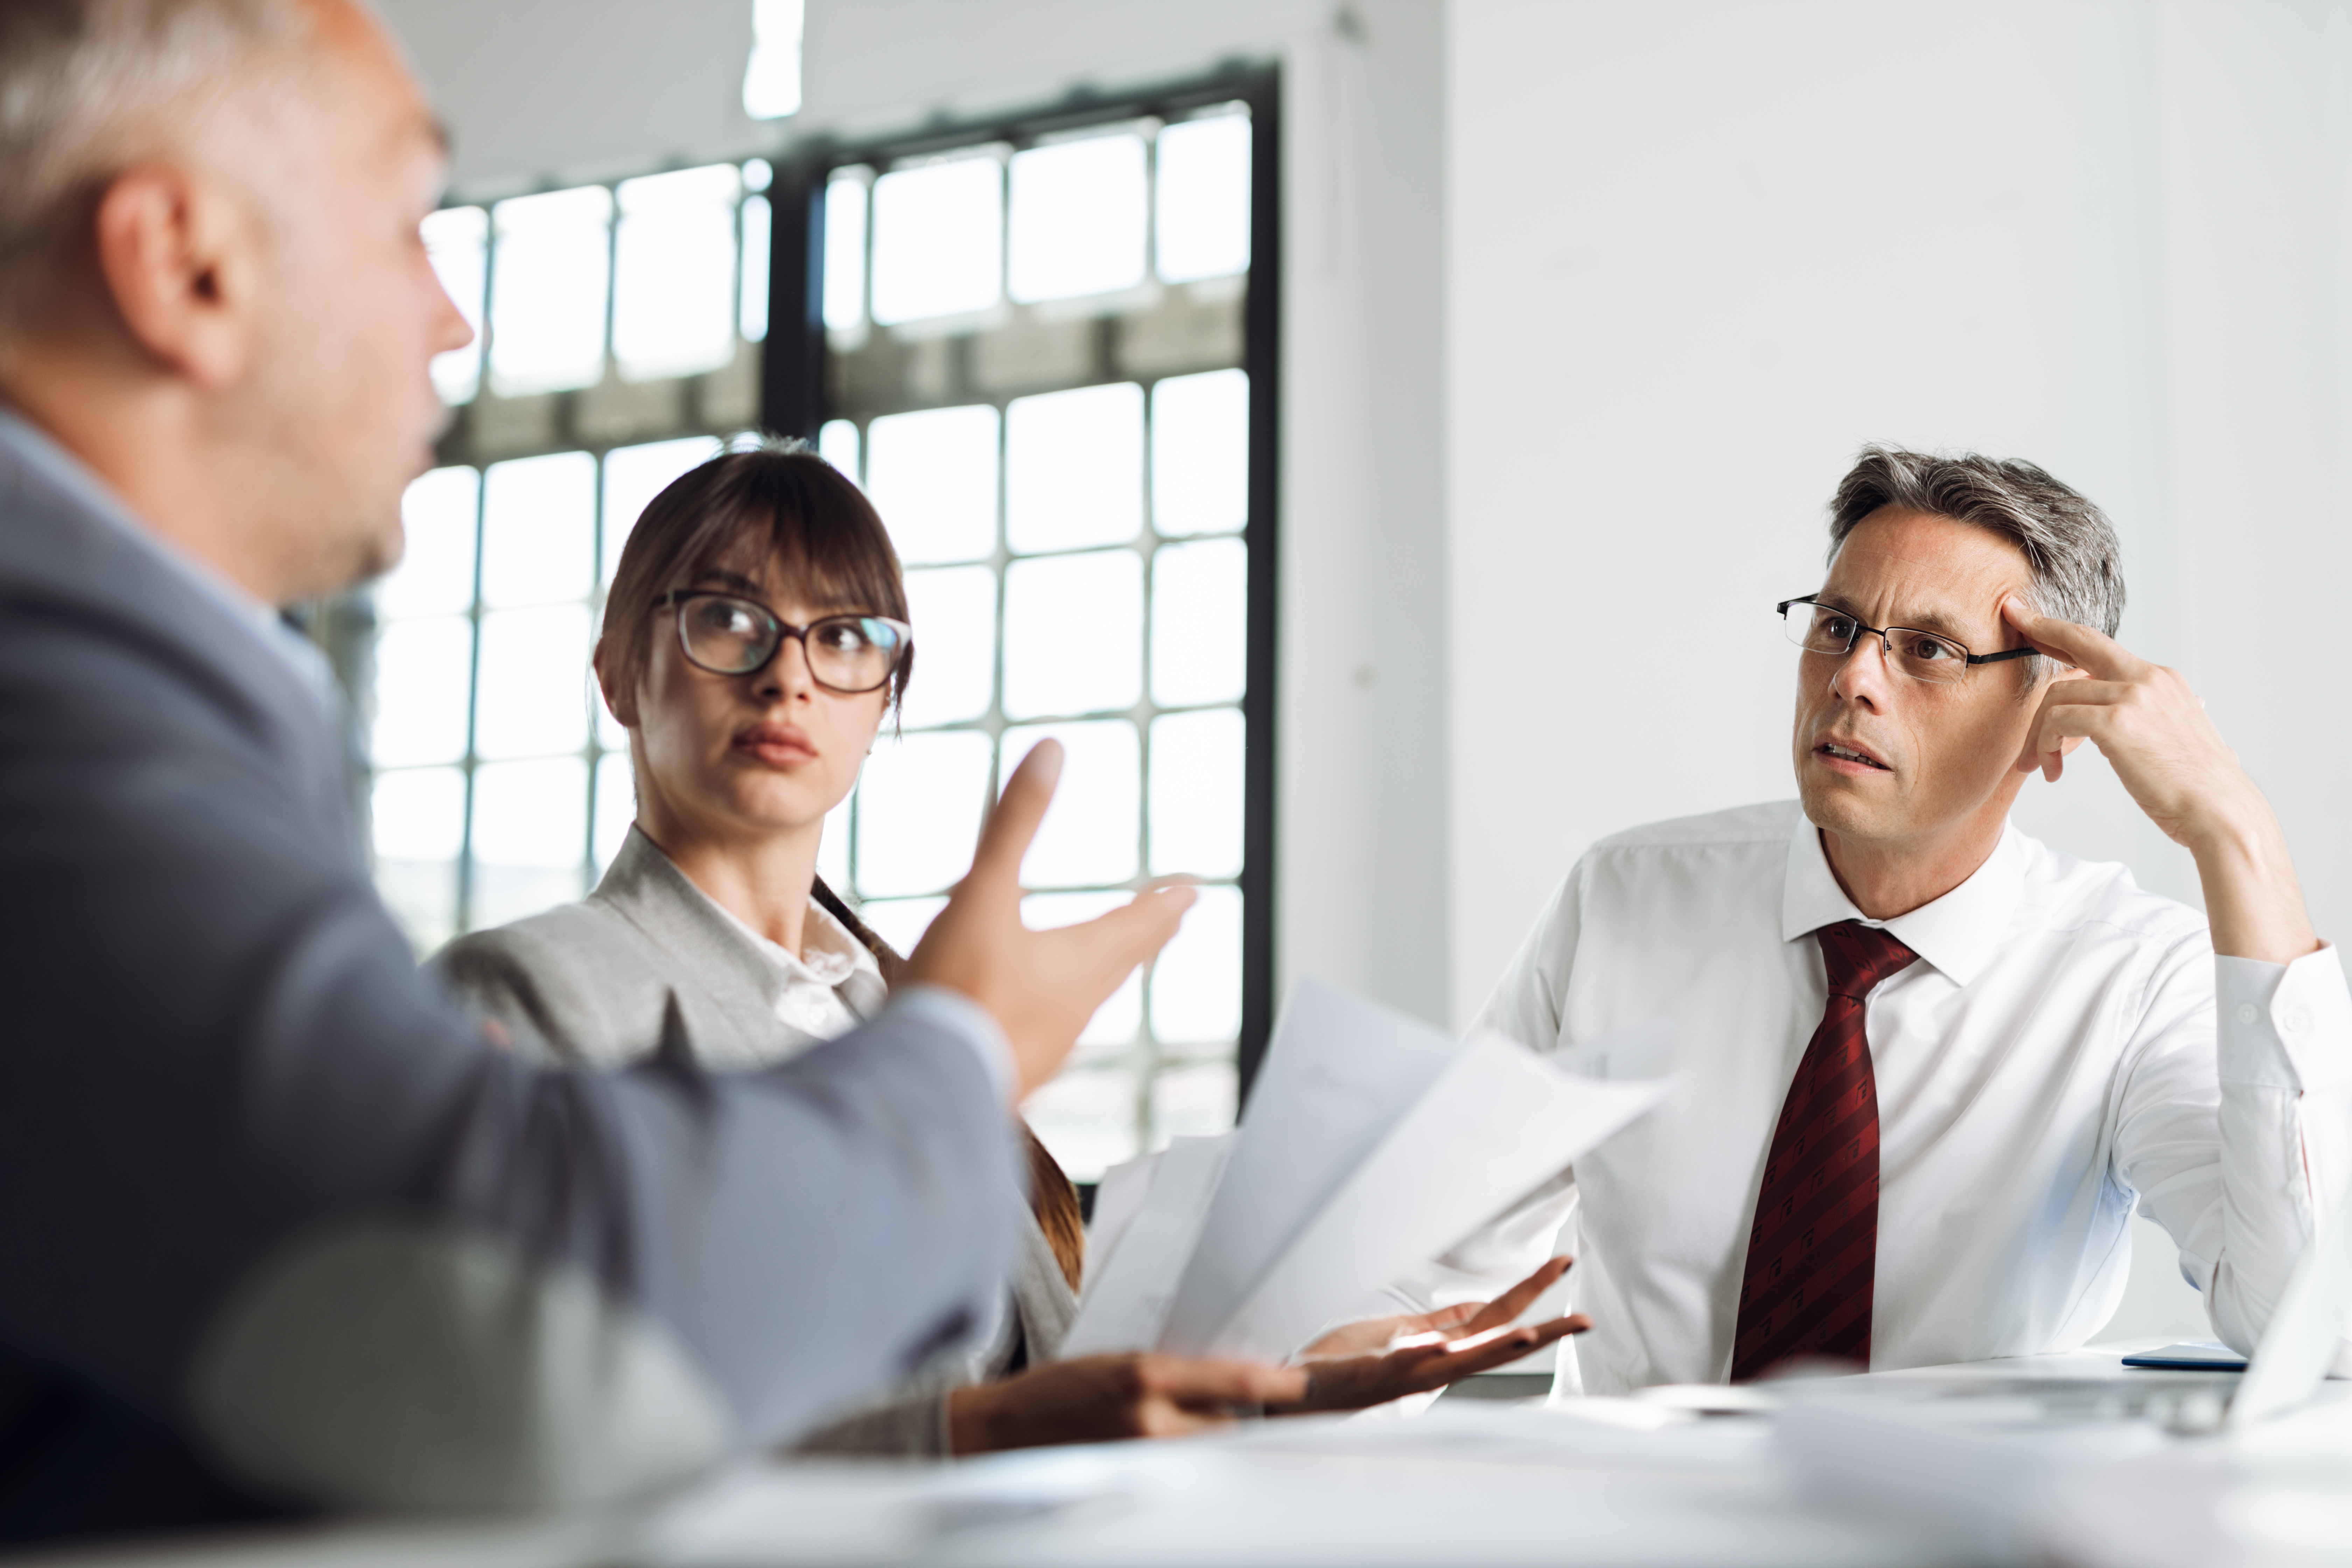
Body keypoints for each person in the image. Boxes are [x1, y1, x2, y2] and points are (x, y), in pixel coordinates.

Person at [0, 0, 1210, 1544]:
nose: (455, 317)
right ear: (186, 267)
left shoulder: (129, 704)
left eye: (847, 639)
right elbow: (491, 1342)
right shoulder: (69, 730)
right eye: (409, 222)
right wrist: (961, 1053)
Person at [433, 443, 1587, 1454]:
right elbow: (524, 1434)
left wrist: (1273, 1391)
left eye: (841, 636)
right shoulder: (524, 992)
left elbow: (1057, 1396)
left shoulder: (908, 1009)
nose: (788, 672)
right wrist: (972, 1439)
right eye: (729, 619)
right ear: (616, 673)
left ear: (883, 698)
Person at [1404, 447, 2351, 1394]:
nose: (1853, 677)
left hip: (1946, 1535)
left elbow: (2307, 1323)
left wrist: (2237, 834)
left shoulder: (2132, 976)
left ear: (2053, 715)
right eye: (1838, 625)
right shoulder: (1624, 899)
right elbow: (1420, 1274)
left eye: (1929, 648)